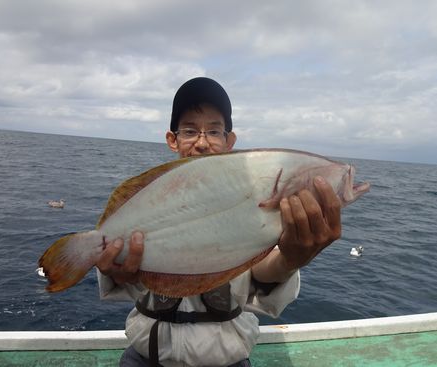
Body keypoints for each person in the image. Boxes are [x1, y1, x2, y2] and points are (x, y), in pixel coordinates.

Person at [96, 77, 341, 367]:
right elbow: (127, 274)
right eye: (190, 131)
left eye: (214, 131)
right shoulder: (146, 202)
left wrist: (291, 259)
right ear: (172, 140)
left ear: (229, 141)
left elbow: (262, 269)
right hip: (147, 357)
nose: (202, 143)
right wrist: (112, 264)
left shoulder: (251, 199)